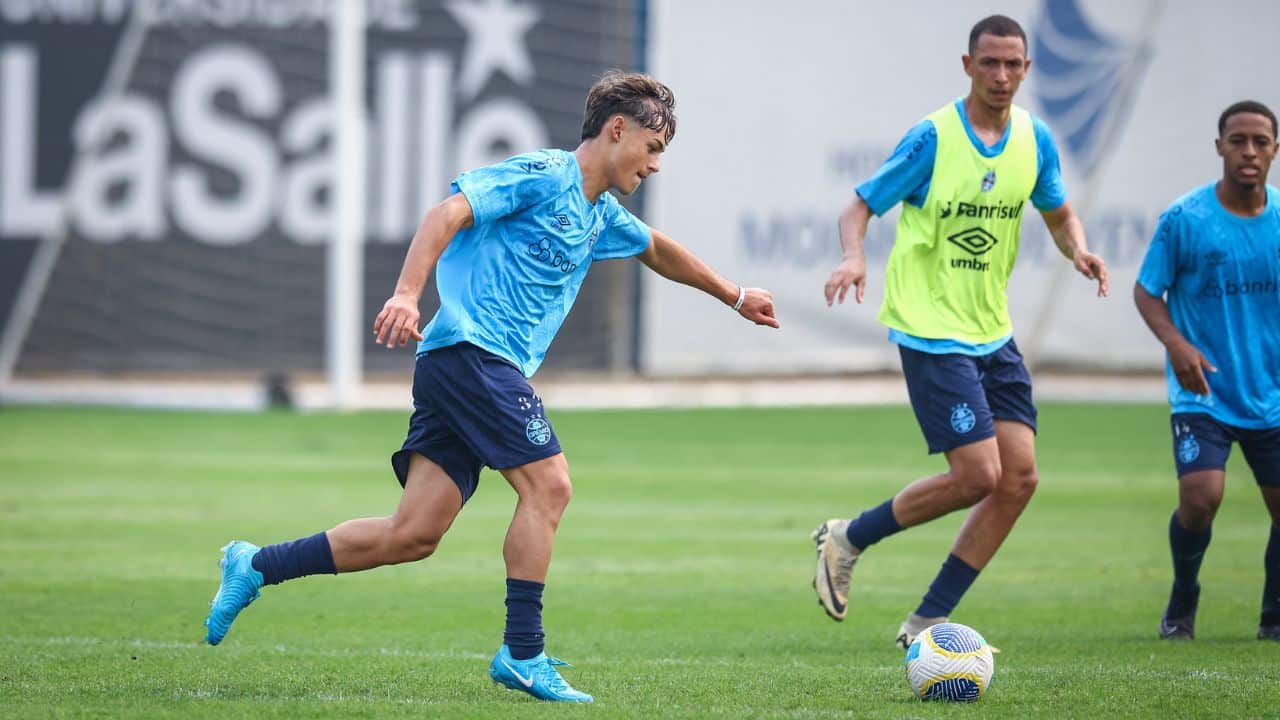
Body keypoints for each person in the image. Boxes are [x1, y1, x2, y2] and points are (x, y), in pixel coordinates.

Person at [202, 70, 780, 702]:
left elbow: (659, 251)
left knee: (413, 534)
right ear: (618, 130)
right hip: (475, 354)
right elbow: (449, 210)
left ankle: (257, 565)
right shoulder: (544, 174)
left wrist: (735, 295)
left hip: (462, 368)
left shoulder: (600, 214)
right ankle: (523, 653)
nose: (656, 165)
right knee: (550, 486)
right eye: (654, 146)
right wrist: (405, 293)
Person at [811, 14, 1109, 647]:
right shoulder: (934, 138)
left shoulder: (1035, 139)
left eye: (1013, 65)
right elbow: (858, 205)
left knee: (1019, 478)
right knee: (979, 476)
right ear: (968, 65)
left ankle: (926, 619)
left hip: (991, 332)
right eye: (990, 63)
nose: (1002, 75)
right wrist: (853, 255)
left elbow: (1059, 213)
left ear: (1027, 70)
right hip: (929, 328)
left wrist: (1076, 249)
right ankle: (848, 537)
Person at [1134, 100, 1280, 642]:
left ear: (1274, 150)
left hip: (1271, 393)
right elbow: (1148, 291)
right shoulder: (1186, 220)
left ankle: (1274, 615)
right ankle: (1182, 601)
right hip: (1205, 392)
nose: (1248, 152)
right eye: (1237, 140)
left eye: (1259, 142)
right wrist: (1176, 343)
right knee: (1200, 498)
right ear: (1218, 146)